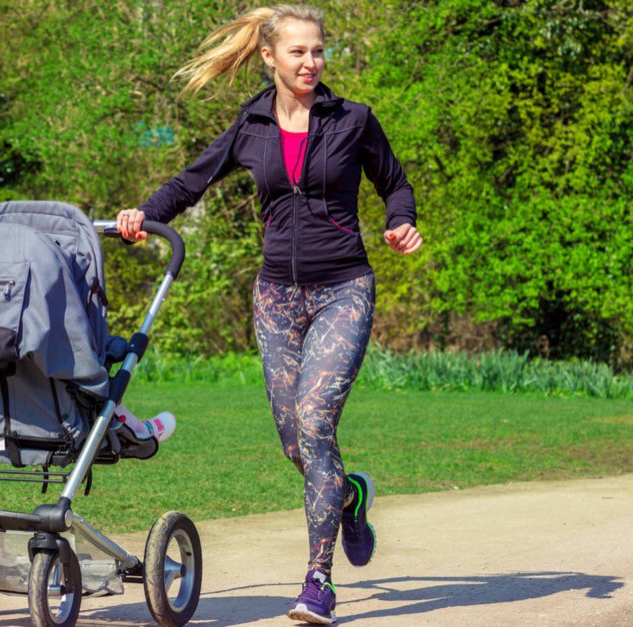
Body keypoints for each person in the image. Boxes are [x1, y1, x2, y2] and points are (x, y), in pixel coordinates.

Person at [116, 5, 422, 624]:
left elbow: (396, 183)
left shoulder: (354, 119)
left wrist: (399, 221)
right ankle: (350, 496)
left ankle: (318, 581)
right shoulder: (250, 124)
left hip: (344, 288)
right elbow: (191, 182)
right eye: (297, 53)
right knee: (296, 444)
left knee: (314, 422)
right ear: (269, 57)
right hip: (276, 296)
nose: (310, 63)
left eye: (318, 51)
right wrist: (142, 217)